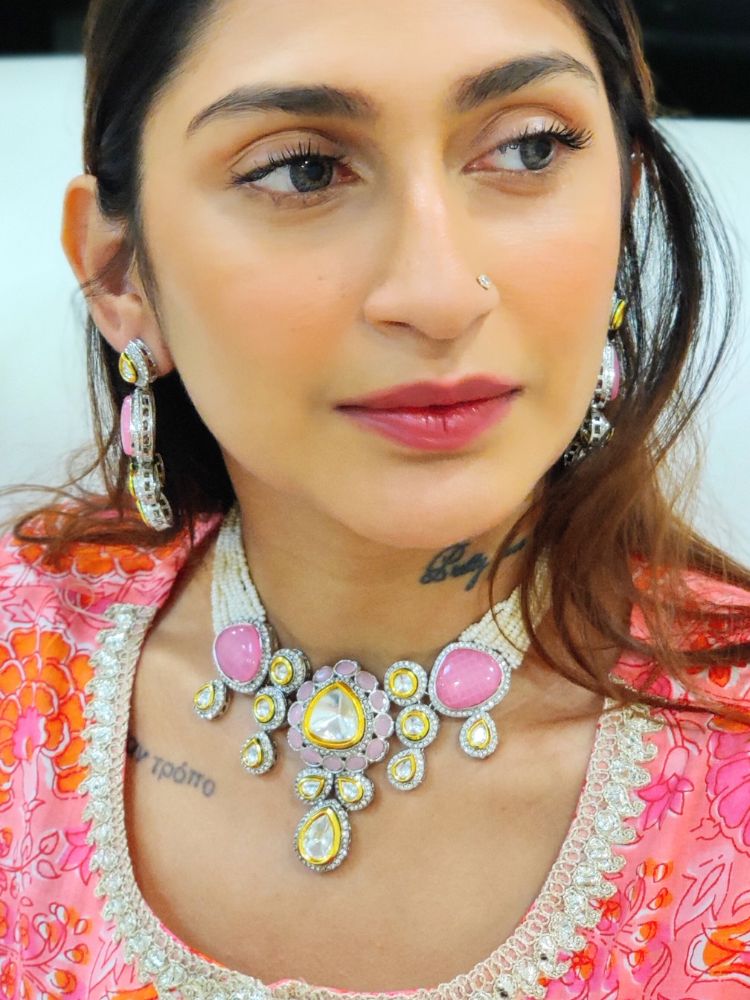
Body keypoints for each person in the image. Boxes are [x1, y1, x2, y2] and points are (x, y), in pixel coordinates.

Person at [1, 0, 749, 997]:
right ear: (119, 271)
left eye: (528, 149)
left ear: (623, 210)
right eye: (303, 170)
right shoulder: (20, 662)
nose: (439, 295)